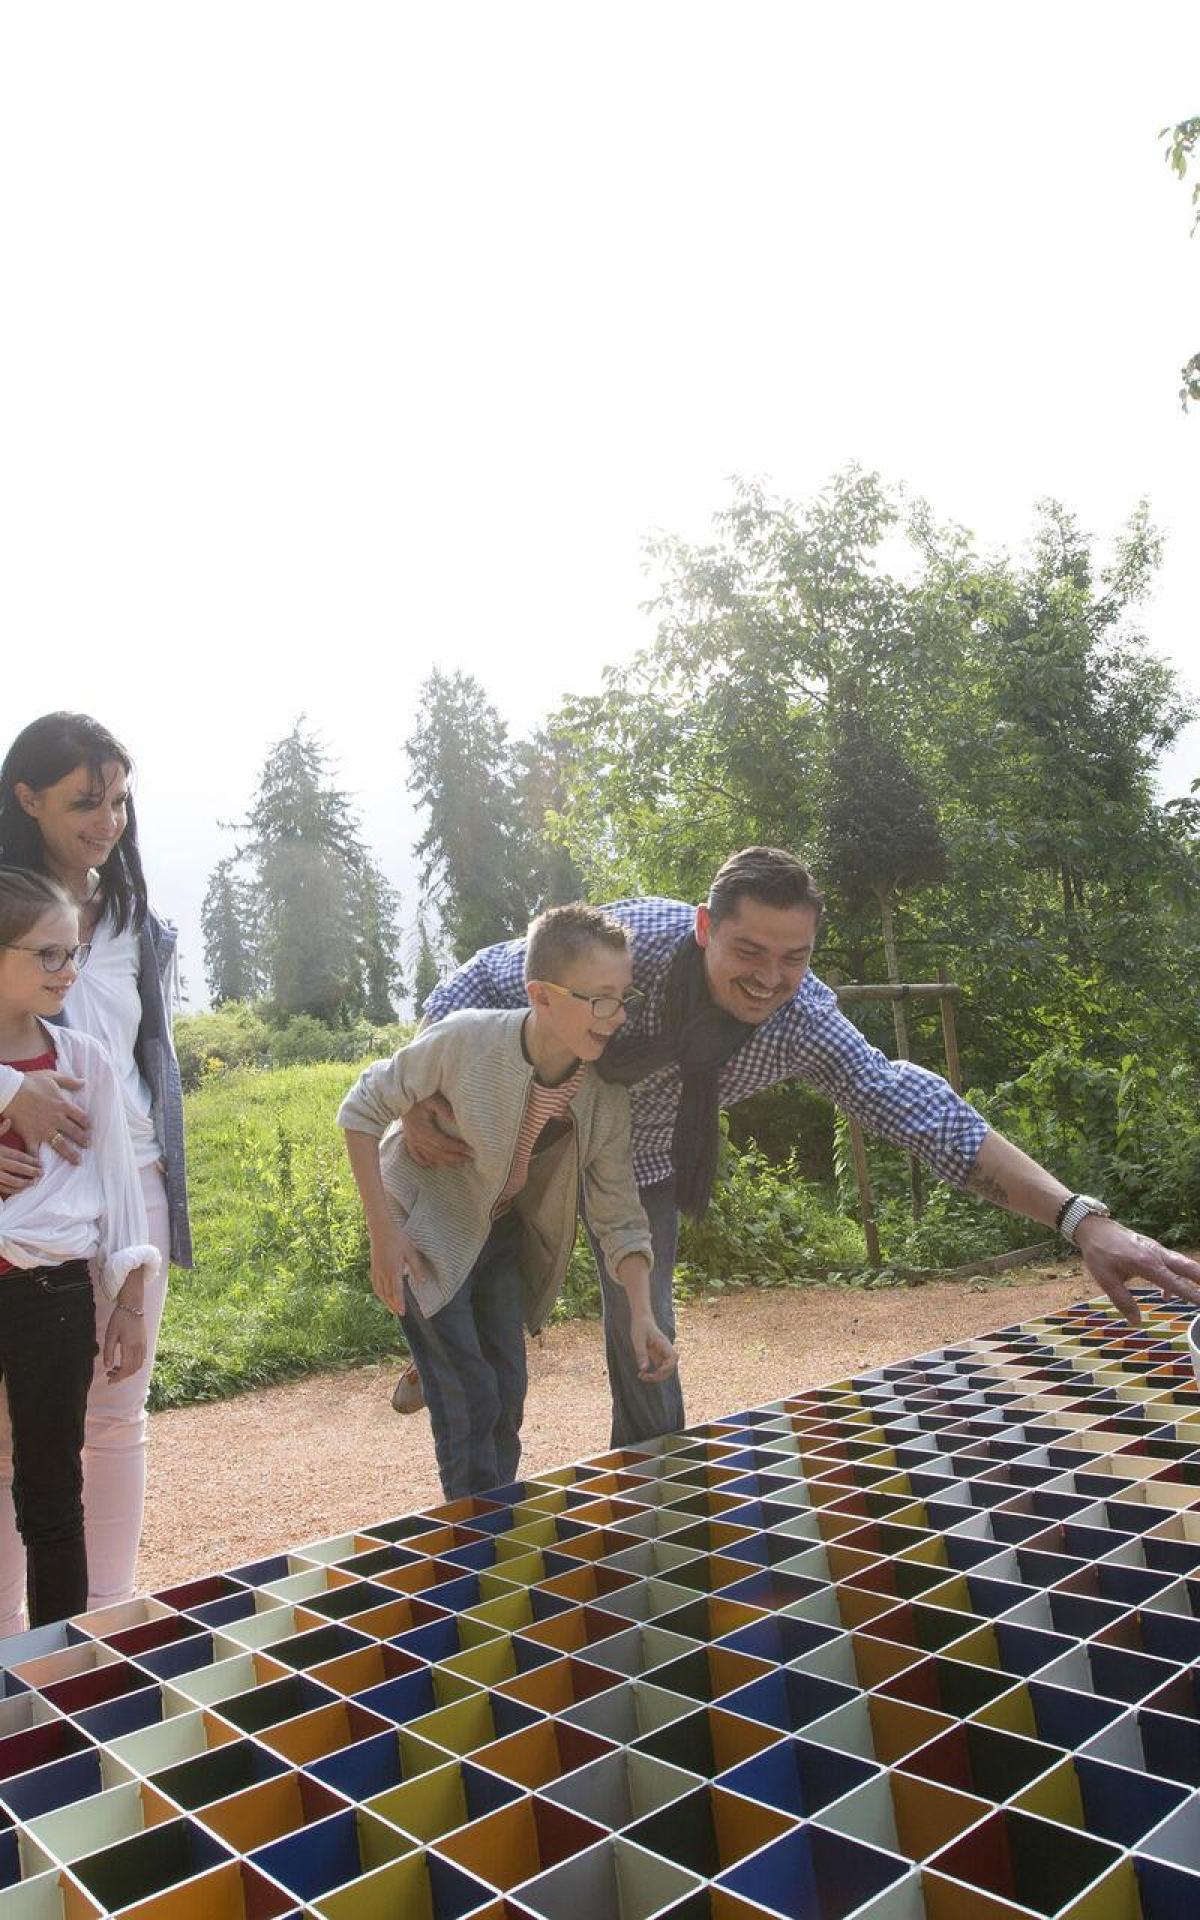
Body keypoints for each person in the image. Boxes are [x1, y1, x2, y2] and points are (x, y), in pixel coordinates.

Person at [394, 846, 1200, 1446]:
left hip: (639, 1171)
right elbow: (492, 973)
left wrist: (1079, 1220)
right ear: (705, 928)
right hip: (519, 1141)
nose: (768, 979)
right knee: (473, 1326)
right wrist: (430, 1084)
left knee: (646, 1334)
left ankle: (652, 1497)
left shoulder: (802, 1019)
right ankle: (449, 1365)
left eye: (793, 958)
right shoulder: (636, 944)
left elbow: (913, 1105)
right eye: (748, 951)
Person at [338, 904, 678, 1499]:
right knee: (472, 1391)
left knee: (508, 1387)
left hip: (496, 1233)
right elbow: (360, 1110)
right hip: (423, 1227)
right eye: (599, 998)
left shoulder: (603, 1097)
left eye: (623, 998)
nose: (616, 1016)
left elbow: (619, 1214)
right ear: (542, 996)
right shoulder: (466, 1038)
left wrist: (642, 1314)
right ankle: (477, 1533)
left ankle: (494, 1505)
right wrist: (384, 1235)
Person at [0, 714, 192, 1634]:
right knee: (16, 1439)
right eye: (85, 801)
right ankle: (9, 1645)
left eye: (118, 800)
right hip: (19, 1192)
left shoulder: (128, 919)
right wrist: (8, 1093)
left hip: (127, 1186)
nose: (107, 820)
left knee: (115, 1410)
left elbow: (140, 1062)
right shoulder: (5, 911)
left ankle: (101, 1628)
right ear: (26, 798)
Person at [0, 870, 159, 1626]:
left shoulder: (87, 1059)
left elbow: (121, 1193)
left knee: (52, 1489)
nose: (69, 972)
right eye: (49, 956)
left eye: (73, 954)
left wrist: (128, 1301)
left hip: (54, 1298)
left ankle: (59, 1668)